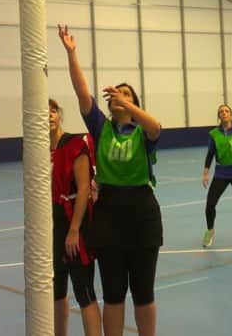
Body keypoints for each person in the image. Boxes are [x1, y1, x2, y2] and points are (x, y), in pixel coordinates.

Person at [58, 25, 163, 336]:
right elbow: (81, 93)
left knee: (144, 292)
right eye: (116, 93)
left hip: (143, 213)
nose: (120, 96)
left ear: (134, 103)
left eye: (127, 93)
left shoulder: (143, 132)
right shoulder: (102, 128)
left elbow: (156, 126)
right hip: (109, 214)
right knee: (114, 293)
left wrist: (128, 104)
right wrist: (72, 53)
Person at [49, 98, 101, 336]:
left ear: (59, 115)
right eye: (43, 112)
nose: (48, 116)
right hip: (51, 225)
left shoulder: (74, 145)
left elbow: (83, 189)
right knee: (56, 289)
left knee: (83, 291)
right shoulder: (37, 151)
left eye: (52, 111)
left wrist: (74, 230)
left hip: (75, 224)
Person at [201, 104, 232, 249]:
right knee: (210, 204)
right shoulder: (214, 134)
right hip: (221, 173)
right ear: (219, 116)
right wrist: (206, 172)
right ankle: (210, 231)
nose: (224, 113)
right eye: (221, 112)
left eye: (226, 111)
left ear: (231, 115)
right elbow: (210, 154)